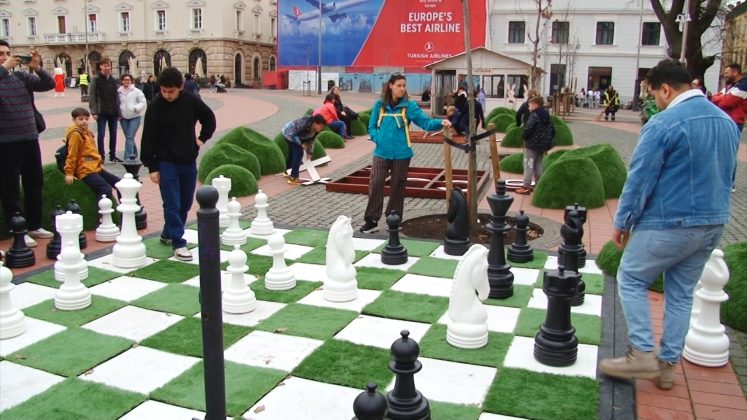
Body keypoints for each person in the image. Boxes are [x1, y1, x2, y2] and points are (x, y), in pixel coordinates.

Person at [598, 59, 739, 391]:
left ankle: (642, 353)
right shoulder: (726, 122)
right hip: (713, 223)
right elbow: (729, 176)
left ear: (665, 89)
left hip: (670, 221)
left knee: (631, 277)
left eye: (653, 94)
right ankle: (666, 367)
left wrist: (623, 221)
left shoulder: (663, 124)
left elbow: (640, 179)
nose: (654, 101)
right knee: (681, 294)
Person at [140, 67, 216, 262]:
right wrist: (152, 167)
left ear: (180, 87)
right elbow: (148, 137)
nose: (167, 95)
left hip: (188, 160)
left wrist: (201, 139)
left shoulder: (192, 100)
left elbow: (209, 119)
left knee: (185, 203)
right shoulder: (155, 105)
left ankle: (168, 232)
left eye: (171, 91)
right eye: (163, 91)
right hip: (165, 162)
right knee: (172, 203)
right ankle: (178, 242)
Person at [359, 73, 451, 233]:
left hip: (402, 154)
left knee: (397, 186)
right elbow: (372, 126)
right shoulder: (379, 105)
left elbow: (425, 123)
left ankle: (393, 218)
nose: (402, 89)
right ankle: (371, 220)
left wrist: (440, 122)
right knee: (376, 183)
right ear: (391, 86)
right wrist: (377, 138)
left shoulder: (409, 106)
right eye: (399, 85)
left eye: (404, 86)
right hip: (381, 153)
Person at [0, 41, 55, 246]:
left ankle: (34, 225)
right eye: (0, 54)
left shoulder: (21, 77)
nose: (5, 56)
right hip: (6, 142)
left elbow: (48, 84)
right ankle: (18, 230)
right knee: (10, 188)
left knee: (34, 183)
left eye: (7, 53)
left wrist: (37, 68)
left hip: (30, 137)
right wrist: (3, 69)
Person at [63, 107, 121, 206]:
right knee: (105, 188)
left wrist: (98, 162)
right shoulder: (76, 134)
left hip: (94, 167)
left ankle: (124, 210)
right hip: (85, 170)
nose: (84, 121)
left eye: (86, 119)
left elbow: (91, 153)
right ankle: (101, 213)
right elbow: (72, 154)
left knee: (120, 183)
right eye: (81, 119)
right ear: (74, 120)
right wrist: (69, 173)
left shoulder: (87, 132)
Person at [516, 96, 554, 195]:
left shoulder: (534, 115)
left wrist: (524, 137)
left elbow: (528, 128)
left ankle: (526, 187)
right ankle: (538, 186)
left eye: (530, 105)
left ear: (535, 105)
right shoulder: (546, 115)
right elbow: (553, 130)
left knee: (528, 165)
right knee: (538, 165)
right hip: (542, 146)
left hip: (532, 145)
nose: (529, 108)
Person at [88, 57, 122, 162]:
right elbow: (92, 96)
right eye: (105, 66)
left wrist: (119, 112)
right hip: (101, 111)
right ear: (101, 67)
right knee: (101, 134)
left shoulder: (113, 79)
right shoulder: (96, 79)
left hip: (113, 111)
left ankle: (112, 156)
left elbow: (117, 97)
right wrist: (93, 112)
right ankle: (101, 156)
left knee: (114, 134)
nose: (107, 68)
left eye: (108, 66)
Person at [281, 114, 327, 185]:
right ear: (315, 123)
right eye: (321, 126)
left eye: (323, 127)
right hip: (288, 133)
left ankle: (287, 172)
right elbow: (293, 135)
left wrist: (309, 153)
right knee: (299, 153)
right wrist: (301, 144)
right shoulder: (303, 124)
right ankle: (293, 178)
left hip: (296, 136)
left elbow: (311, 140)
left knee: (292, 153)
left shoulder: (315, 130)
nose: (322, 128)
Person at [117, 73, 147, 161]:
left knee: (130, 136)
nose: (127, 81)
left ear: (131, 81)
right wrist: (118, 113)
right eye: (125, 80)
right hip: (123, 117)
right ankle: (134, 154)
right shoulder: (118, 92)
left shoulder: (136, 91)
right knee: (129, 137)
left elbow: (143, 102)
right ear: (122, 81)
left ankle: (128, 158)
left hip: (135, 116)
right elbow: (116, 103)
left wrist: (136, 108)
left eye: (129, 80)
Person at [712, 63, 747, 132]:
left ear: (735, 72)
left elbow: (725, 103)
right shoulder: (731, 85)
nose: (725, 76)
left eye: (727, 73)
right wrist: (723, 97)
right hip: (726, 120)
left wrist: (721, 98)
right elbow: (713, 98)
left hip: (734, 122)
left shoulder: (744, 85)